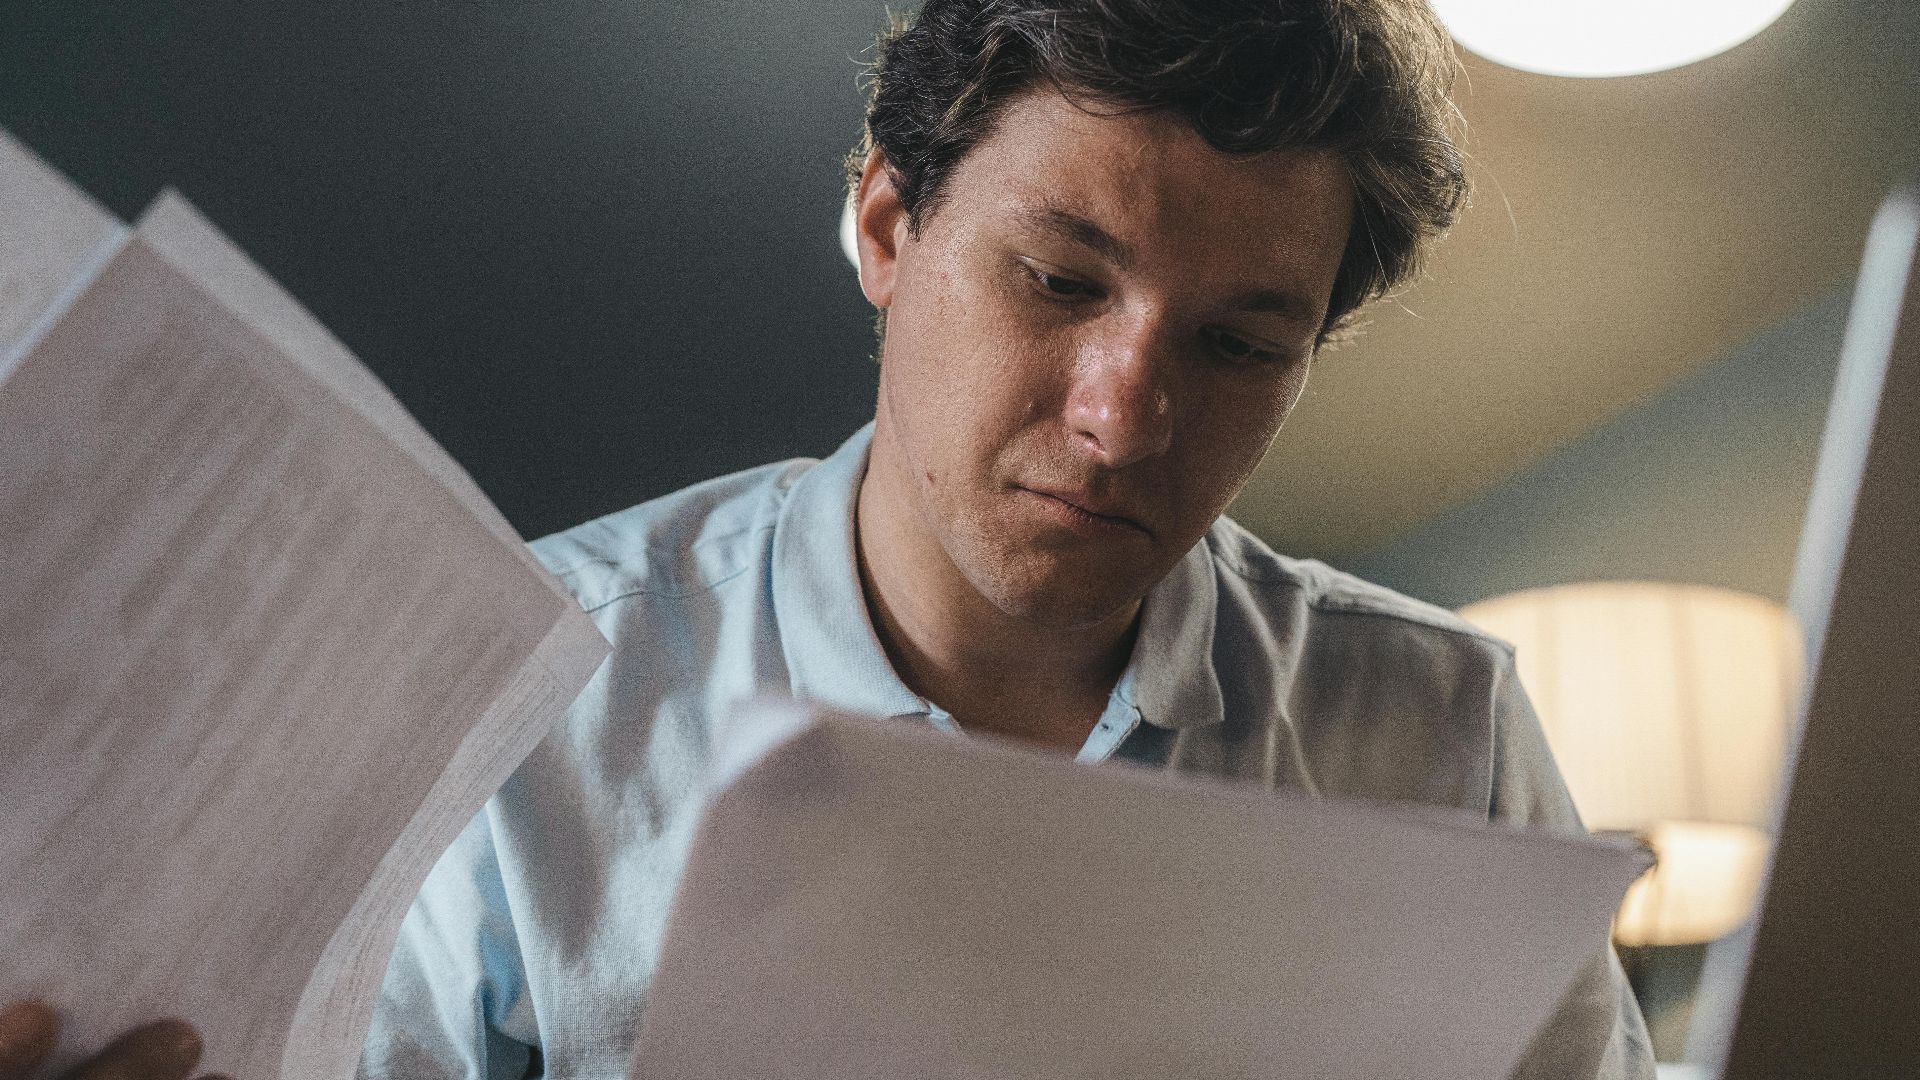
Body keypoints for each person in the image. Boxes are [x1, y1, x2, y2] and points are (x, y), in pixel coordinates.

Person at [1, 1, 1656, 1077]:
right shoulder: (525, 693)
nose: (1123, 415)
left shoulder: (1442, 735)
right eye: (1060, 280)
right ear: (885, 221)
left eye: (1238, 345)